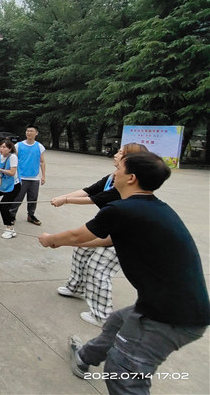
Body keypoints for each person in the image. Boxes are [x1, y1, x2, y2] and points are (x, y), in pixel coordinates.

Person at [39, 152, 210, 394]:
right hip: (175, 305)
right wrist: (64, 243)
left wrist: (50, 239)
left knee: (123, 372)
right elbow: (106, 240)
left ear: (131, 178)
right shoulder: (152, 207)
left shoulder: (120, 209)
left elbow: (79, 234)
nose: (114, 172)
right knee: (117, 322)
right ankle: (84, 357)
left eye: (118, 167)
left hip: (169, 316)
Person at [50, 143, 148, 327]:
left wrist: (65, 200)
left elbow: (96, 199)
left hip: (125, 237)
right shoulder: (113, 177)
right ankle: (76, 287)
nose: (115, 154)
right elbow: (89, 190)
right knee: (80, 250)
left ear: (131, 161)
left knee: (98, 268)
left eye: (120, 153)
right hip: (110, 228)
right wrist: (63, 196)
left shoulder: (127, 184)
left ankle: (102, 315)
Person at [9, 124, 46, 226]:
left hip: (34, 178)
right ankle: (11, 215)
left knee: (33, 198)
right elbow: (12, 160)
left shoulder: (39, 146)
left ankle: (31, 215)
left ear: (36, 133)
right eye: (27, 131)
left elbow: (42, 162)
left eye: (31, 131)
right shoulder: (18, 146)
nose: (29, 133)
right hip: (21, 177)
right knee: (17, 198)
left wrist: (43, 176)